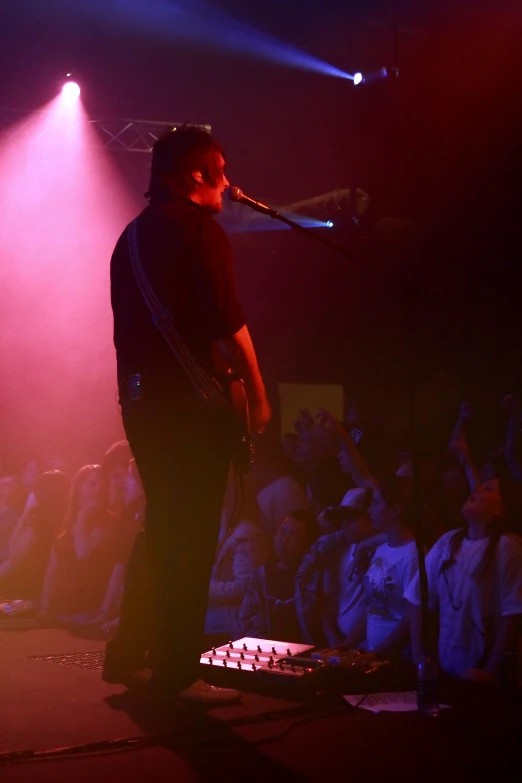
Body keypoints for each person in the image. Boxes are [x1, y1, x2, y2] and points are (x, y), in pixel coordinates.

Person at [105, 126, 270, 705]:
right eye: (220, 169)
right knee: (193, 534)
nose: (228, 182)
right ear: (195, 175)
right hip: (191, 406)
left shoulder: (127, 240)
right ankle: (177, 670)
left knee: (163, 526)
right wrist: (257, 389)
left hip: (142, 402)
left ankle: (126, 649)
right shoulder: (202, 231)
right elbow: (228, 324)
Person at [406, 478, 522, 682]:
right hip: (444, 675)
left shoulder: (508, 547)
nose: (476, 488)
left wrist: (489, 671)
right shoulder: (448, 541)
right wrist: (419, 658)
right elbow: (417, 598)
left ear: (501, 509)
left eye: (487, 488)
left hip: (483, 681)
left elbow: (512, 615)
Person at [340, 476, 418, 656]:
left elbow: (410, 621)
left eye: (375, 503)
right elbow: (373, 609)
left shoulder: (413, 555)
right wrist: (345, 646)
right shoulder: (382, 549)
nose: (370, 510)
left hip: (398, 662)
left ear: (395, 510)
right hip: (376, 657)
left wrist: (376, 654)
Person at [38, 465, 116, 623]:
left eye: (102, 485)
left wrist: (82, 518)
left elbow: (82, 554)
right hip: (59, 612)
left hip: (86, 612)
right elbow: (52, 568)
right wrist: (44, 608)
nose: (98, 490)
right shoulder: (68, 521)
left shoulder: (108, 522)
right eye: (92, 484)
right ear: (78, 488)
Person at [238, 510, 319, 641]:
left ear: (306, 545)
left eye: (293, 536)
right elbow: (245, 616)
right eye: (282, 532)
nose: (284, 539)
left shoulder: (312, 576)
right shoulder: (262, 575)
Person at [0, 470, 69, 600]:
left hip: (23, 595)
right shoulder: (62, 521)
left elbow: (13, 557)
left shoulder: (38, 523)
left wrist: (25, 514)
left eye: (9, 484)